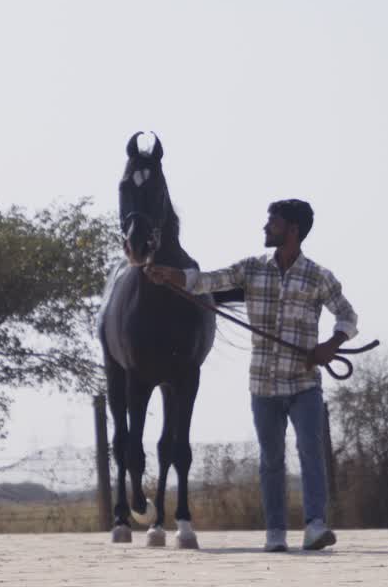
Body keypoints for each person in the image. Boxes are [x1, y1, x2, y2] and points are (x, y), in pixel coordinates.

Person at [144, 199, 357, 552]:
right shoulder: (251, 269)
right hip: (263, 386)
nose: (264, 228)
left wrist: (331, 344)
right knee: (270, 460)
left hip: (305, 385)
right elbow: (206, 281)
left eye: (271, 223)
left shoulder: (319, 277)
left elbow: (348, 316)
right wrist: (171, 275)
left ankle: (315, 526)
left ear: (292, 230)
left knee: (310, 452)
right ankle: (275, 533)